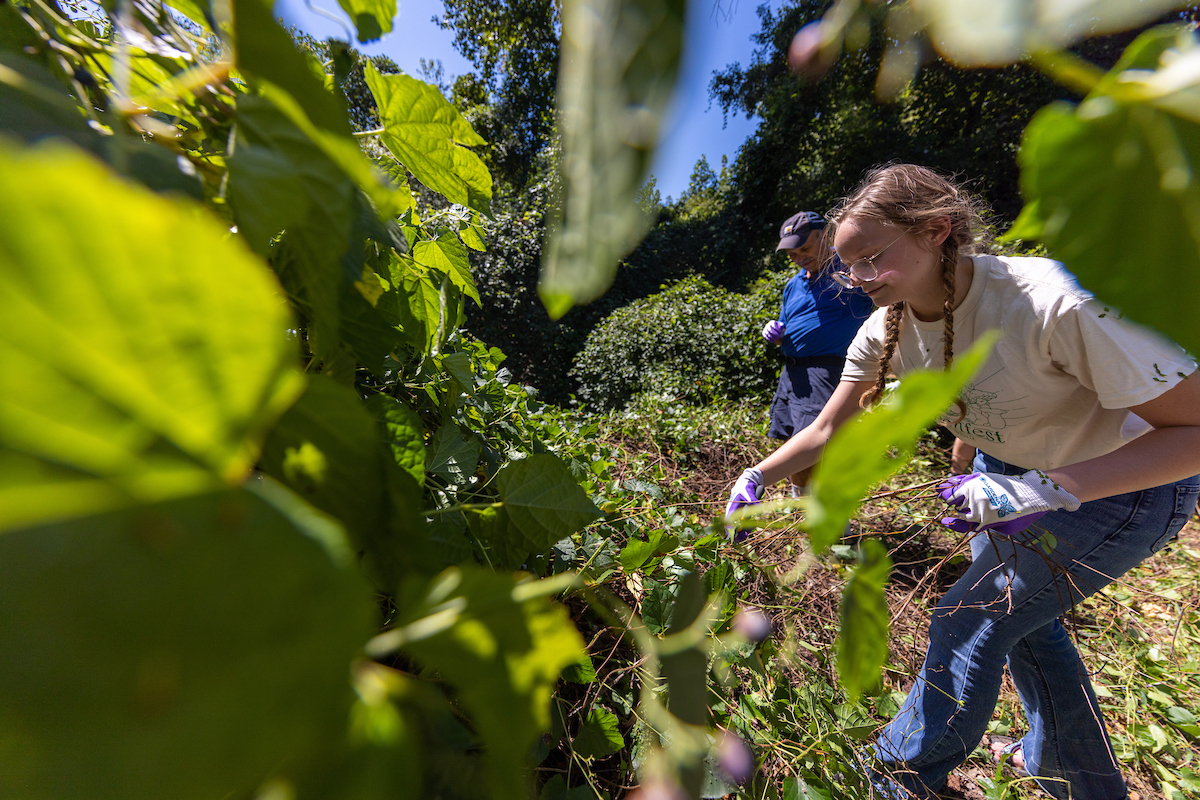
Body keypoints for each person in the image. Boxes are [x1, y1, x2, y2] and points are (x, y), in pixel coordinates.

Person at [725, 164, 1200, 799]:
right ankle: (1077, 776)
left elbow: (1192, 430)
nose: (860, 278)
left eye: (873, 257)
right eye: (850, 265)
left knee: (969, 616)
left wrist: (1040, 490)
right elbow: (828, 426)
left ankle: (896, 778)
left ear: (936, 230)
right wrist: (759, 473)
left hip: (1124, 485)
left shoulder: (1055, 303)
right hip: (1011, 472)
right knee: (1024, 625)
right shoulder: (885, 327)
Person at [761, 211, 875, 495]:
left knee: (814, 449)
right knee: (791, 443)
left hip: (826, 371)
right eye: (792, 254)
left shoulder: (849, 271)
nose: (799, 258)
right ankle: (802, 506)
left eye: (804, 249)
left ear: (825, 236)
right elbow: (786, 325)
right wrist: (777, 334)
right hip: (792, 373)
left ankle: (828, 513)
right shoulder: (794, 284)